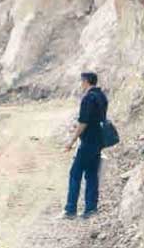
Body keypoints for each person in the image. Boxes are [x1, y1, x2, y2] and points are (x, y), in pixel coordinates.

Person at [63, 72, 108, 219]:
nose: (81, 84)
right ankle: (90, 209)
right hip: (98, 140)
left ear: (87, 81)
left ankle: (70, 210)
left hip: (88, 141)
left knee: (75, 173)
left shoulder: (88, 98)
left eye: (81, 81)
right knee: (91, 174)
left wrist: (71, 141)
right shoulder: (102, 96)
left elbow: (83, 122)